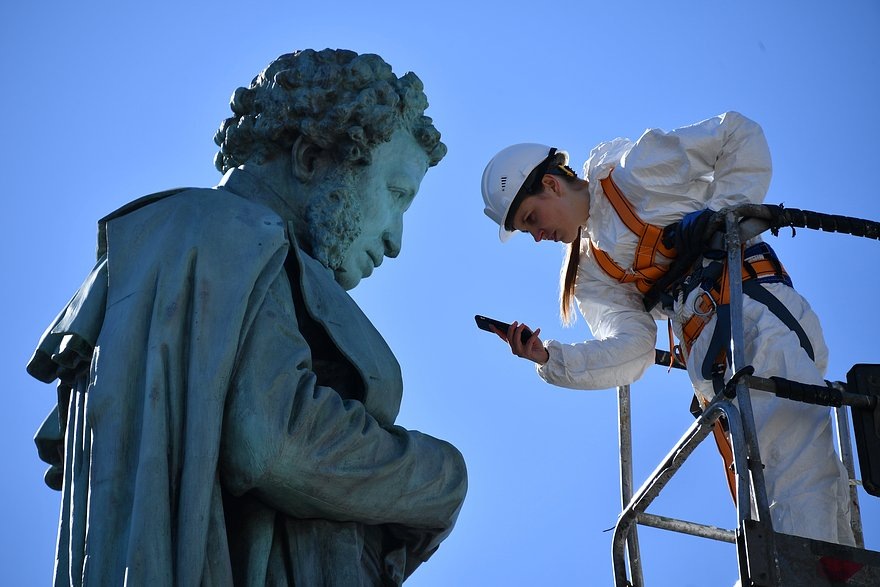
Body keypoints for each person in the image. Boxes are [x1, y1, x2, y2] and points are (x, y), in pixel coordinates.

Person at [27, 48, 467, 586]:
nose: (396, 239)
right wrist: (441, 476)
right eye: (396, 194)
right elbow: (272, 439)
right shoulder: (230, 234)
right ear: (311, 157)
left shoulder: (191, 246)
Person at [479, 111, 854, 546]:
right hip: (712, 359)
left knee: (795, 457)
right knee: (762, 486)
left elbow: (736, 133)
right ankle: (819, 567)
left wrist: (722, 218)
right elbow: (633, 351)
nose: (536, 236)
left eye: (529, 219)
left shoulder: (632, 174)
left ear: (550, 184)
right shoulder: (590, 276)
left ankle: (808, 570)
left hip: (754, 312)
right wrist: (550, 358)